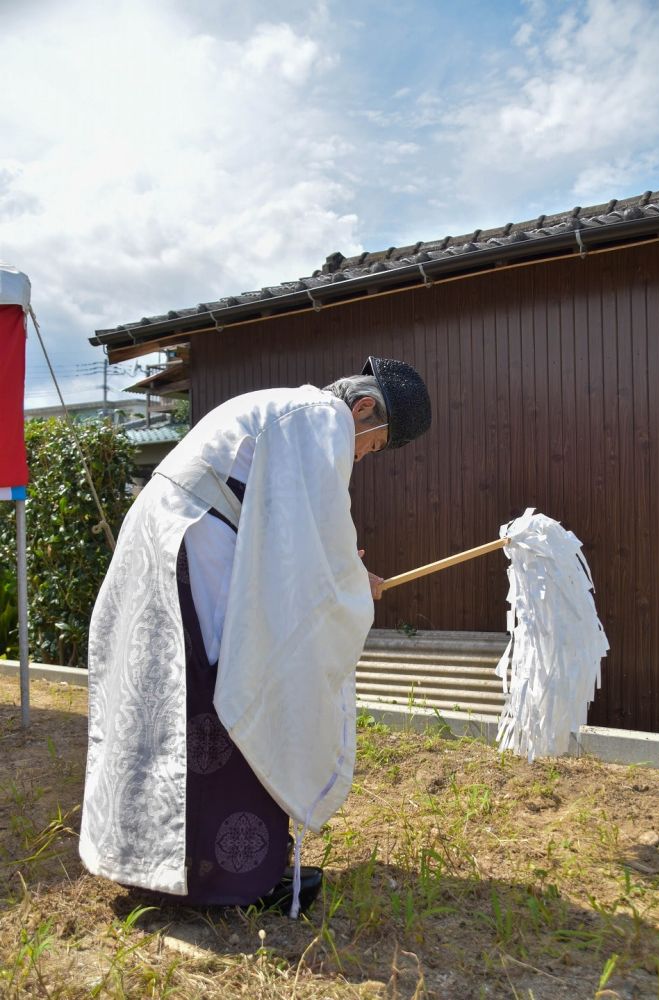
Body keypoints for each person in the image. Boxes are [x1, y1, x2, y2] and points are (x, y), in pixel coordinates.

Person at [79, 355, 431, 916]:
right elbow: (309, 544)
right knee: (237, 689)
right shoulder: (322, 419)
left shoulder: (287, 407)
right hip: (198, 547)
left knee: (166, 703)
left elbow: (296, 534)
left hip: (171, 536)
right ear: (363, 409)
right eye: (377, 445)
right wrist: (351, 581)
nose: (365, 456)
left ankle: (157, 869)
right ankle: (234, 879)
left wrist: (343, 572)